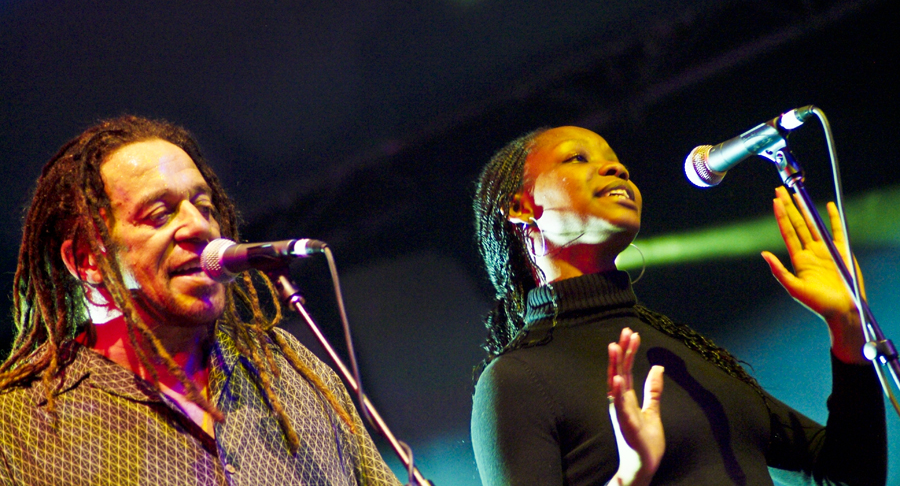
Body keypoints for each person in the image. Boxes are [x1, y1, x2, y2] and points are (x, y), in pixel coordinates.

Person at [469, 125, 886, 485]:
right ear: (522, 208)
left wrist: (847, 326)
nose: (618, 169)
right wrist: (630, 475)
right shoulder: (518, 380)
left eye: (617, 161)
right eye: (576, 158)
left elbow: (850, 475)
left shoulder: (682, 352)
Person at [0, 115, 401, 486]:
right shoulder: (18, 426)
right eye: (159, 214)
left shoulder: (287, 370)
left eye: (204, 206)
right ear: (87, 261)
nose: (198, 226)